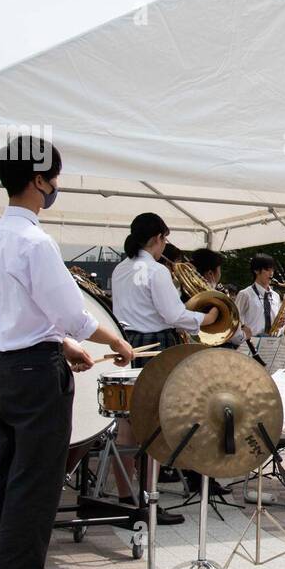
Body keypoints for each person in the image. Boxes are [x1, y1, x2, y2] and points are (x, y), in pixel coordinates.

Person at [0, 136, 134, 569]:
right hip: (37, 375)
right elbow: (71, 313)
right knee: (34, 485)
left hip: (4, 368)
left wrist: (62, 342)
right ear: (39, 180)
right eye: (53, 178)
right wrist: (113, 341)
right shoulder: (37, 241)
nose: (55, 187)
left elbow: (14, 310)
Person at [108, 212, 217, 523]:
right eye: (164, 239)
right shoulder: (155, 271)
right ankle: (148, 501)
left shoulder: (120, 269)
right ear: (157, 238)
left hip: (127, 343)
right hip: (155, 344)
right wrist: (205, 320)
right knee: (152, 423)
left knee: (126, 423)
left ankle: (126, 497)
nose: (164, 246)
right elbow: (173, 314)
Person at [235, 253, 280, 345]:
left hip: (271, 344)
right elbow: (235, 321)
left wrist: (280, 325)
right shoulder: (245, 294)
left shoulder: (276, 296)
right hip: (250, 344)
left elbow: (277, 325)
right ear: (256, 270)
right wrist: (243, 338)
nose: (271, 273)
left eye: (272, 270)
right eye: (267, 270)